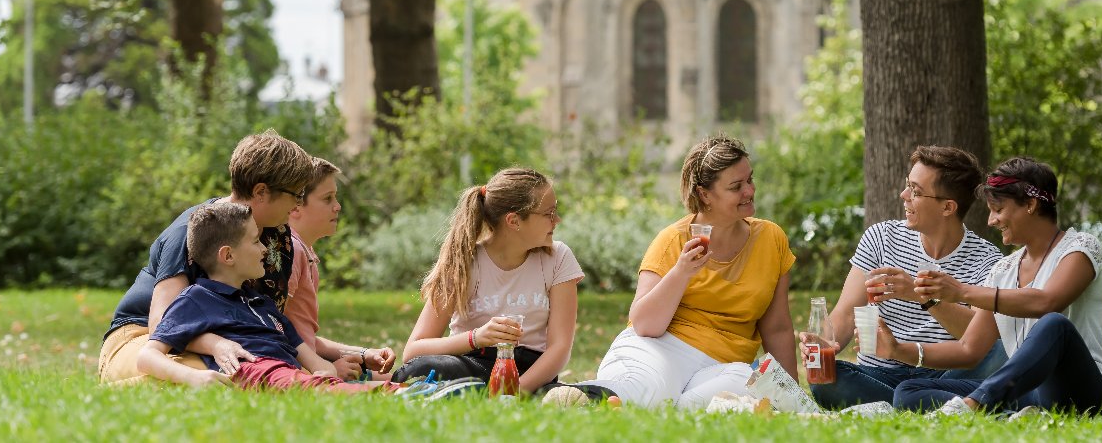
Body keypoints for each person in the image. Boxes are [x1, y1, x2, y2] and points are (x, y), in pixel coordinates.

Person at [574, 136, 797, 409]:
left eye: (749, 180)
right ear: (704, 194)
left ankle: (670, 409)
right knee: (645, 392)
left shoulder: (770, 239)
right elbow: (644, 325)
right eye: (736, 186)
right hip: (660, 349)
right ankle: (579, 401)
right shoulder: (674, 240)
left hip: (724, 366)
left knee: (747, 383)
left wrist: (794, 398)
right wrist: (681, 272)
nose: (749, 191)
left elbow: (777, 328)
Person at [884, 157, 1102, 417]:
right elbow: (968, 350)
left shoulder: (1081, 248)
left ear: (1030, 204)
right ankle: (1012, 417)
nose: (991, 221)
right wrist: (898, 350)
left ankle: (976, 406)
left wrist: (961, 291)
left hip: (1085, 397)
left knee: (1055, 324)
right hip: (1027, 394)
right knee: (909, 391)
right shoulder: (1003, 271)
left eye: (998, 209)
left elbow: (1047, 302)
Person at [99, 130, 314, 384]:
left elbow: (268, 327)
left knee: (272, 372)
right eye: (296, 194)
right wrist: (216, 344)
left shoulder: (278, 240)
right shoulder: (191, 231)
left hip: (222, 341)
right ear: (261, 192)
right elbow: (162, 325)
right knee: (227, 376)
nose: (299, 205)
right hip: (143, 337)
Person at [802, 146, 1006, 410]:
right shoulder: (881, 238)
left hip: (946, 376)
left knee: (998, 352)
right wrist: (827, 346)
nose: (904, 195)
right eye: (907, 185)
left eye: (916, 191)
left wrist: (921, 294)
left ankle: (906, 403)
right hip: (879, 375)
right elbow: (847, 312)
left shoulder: (987, 260)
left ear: (947, 207)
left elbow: (978, 338)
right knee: (826, 380)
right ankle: (927, 405)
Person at [137, 202, 387, 394]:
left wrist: (326, 372)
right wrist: (195, 377)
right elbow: (147, 356)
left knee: (320, 387)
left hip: (287, 376)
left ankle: (401, 391)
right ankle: (396, 393)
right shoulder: (197, 299)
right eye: (255, 241)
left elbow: (316, 362)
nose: (265, 249)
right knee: (304, 384)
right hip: (253, 372)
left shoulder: (263, 305)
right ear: (228, 256)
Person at [392, 168, 583, 395]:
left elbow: (559, 348)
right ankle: (468, 390)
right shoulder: (463, 261)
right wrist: (477, 338)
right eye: (549, 213)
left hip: (531, 372)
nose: (557, 220)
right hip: (472, 363)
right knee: (419, 369)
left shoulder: (558, 257)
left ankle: (466, 393)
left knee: (591, 393)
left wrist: (516, 391)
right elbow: (413, 351)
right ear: (514, 221)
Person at [285, 157, 397, 380]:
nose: (337, 206)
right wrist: (330, 370)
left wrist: (364, 354)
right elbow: (275, 327)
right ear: (296, 205)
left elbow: (305, 339)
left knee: (398, 379)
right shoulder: (292, 252)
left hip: (306, 364)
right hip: (295, 371)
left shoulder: (304, 253)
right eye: (327, 199)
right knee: (401, 385)